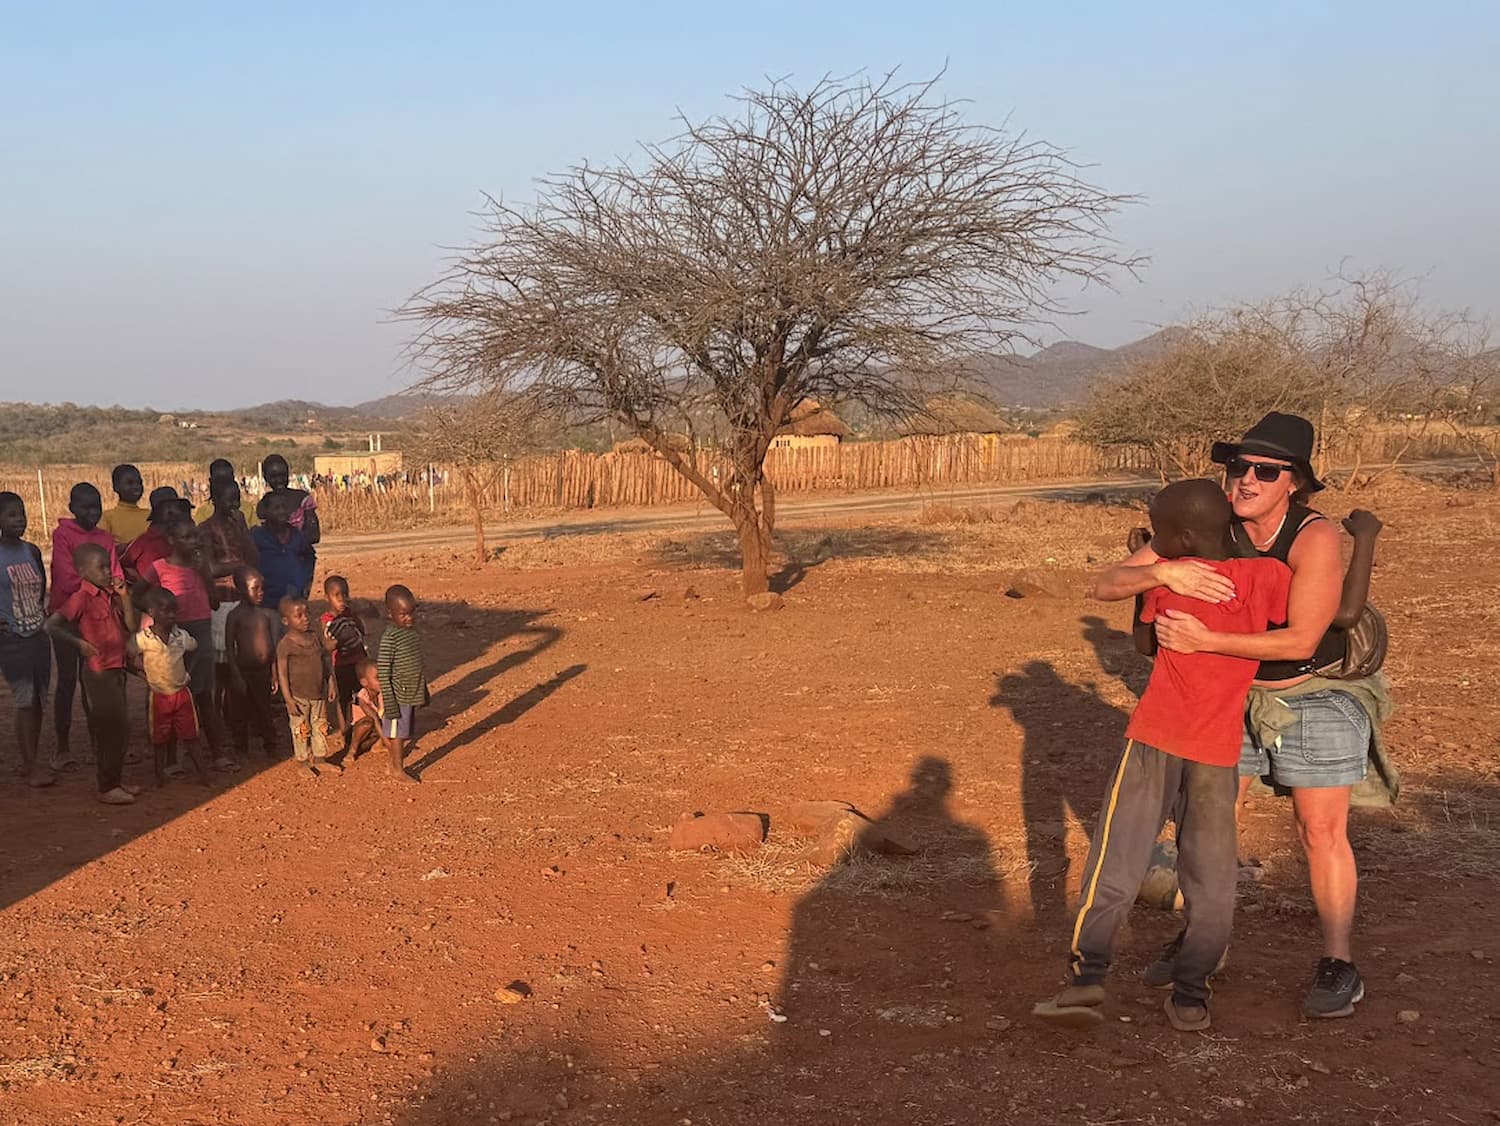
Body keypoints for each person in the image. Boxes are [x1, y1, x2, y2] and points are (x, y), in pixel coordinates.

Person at [1093, 412, 1379, 1019]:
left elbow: (1302, 640)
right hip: (1231, 696)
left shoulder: (1313, 537)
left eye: (1264, 470)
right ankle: (1204, 947)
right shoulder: (1210, 519)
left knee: (1318, 831)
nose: (1246, 479)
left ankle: (1339, 963)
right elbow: (1110, 583)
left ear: (1294, 482)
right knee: (1210, 826)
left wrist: (1204, 641)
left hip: (1313, 693)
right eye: (1238, 466)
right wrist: (1164, 569)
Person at [1034, 480, 1292, 1033]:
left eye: (1161, 534)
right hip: (1219, 748)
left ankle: (1087, 977)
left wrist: (1156, 575)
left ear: (1180, 539)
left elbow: (1139, 634)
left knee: (1117, 856)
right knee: (1212, 873)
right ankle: (1192, 995)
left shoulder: (1171, 588)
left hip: (1155, 736)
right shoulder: (1270, 578)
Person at [44, 544, 140, 804]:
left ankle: (115, 780)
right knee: (112, 728)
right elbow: (51, 626)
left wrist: (125, 597)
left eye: (108, 565)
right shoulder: (81, 598)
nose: (108, 571)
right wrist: (79, 644)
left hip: (117, 667)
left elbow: (131, 626)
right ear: (83, 571)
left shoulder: (111, 595)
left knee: (121, 727)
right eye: (101, 567)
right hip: (99, 673)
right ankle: (107, 786)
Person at [139, 516, 235, 772]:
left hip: (200, 634)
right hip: (173, 636)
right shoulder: (158, 568)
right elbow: (138, 593)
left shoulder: (201, 567)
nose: (193, 542)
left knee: (204, 694)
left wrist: (205, 573)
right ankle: (171, 760)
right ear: (171, 541)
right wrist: (157, 619)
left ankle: (217, 753)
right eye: (186, 537)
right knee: (170, 694)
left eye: (195, 536)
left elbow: (214, 603)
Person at [48, 482, 123, 770]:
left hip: (99, 615)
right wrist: (102, 585)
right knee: (68, 680)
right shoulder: (63, 534)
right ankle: (63, 747)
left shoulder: (105, 537)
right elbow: (67, 578)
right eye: (85, 507)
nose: (91, 512)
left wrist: (113, 586)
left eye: (96, 506)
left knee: (96, 682)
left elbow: (114, 573)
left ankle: (99, 745)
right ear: (72, 508)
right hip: (69, 615)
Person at [0, 492, 54, 787]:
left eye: (21, 513)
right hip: (12, 640)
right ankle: (32, 766)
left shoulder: (32, 551)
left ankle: (28, 760)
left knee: (38, 701)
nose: (19, 519)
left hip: (37, 634)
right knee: (25, 701)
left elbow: (41, 586)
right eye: (11, 515)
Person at [131, 587, 210, 787]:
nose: (172, 615)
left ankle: (204, 775)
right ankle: (160, 777)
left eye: (174, 611)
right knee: (159, 740)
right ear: (151, 612)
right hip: (158, 696)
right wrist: (143, 673)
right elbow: (129, 654)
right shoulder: (144, 639)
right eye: (166, 611)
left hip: (182, 693)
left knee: (191, 736)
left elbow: (195, 648)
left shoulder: (181, 636)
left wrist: (188, 673)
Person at [201, 481, 258, 728]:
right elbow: (210, 568)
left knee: (243, 664)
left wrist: (244, 532)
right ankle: (218, 724)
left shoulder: (239, 526)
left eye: (236, 499)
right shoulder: (205, 529)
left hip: (242, 601)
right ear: (214, 500)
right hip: (222, 603)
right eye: (228, 500)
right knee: (221, 670)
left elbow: (254, 558)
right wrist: (240, 565)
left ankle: (238, 723)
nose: (234, 505)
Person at [275, 595, 340, 775]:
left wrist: (331, 682)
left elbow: (325, 659)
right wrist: (288, 698)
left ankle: (320, 758)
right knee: (301, 729)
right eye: (299, 616)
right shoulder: (285, 644)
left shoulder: (314, 637)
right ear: (285, 620)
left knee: (320, 726)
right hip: (298, 696)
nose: (305, 618)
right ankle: (303, 761)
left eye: (306, 614)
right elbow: (282, 673)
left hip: (318, 692)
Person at [225, 567, 282, 758]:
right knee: (240, 711)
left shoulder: (268, 615)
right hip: (243, 670)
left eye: (262, 588)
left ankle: (270, 745)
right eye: (255, 588)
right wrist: (235, 674)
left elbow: (274, 648)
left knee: (264, 709)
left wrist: (274, 674)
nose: (261, 592)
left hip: (263, 671)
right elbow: (229, 648)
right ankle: (241, 747)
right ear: (241, 590)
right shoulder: (234, 616)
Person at [375, 584, 425, 784]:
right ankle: (397, 768)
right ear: (390, 613)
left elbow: (416, 664)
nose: (409, 618)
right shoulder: (390, 638)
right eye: (403, 614)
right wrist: (390, 701)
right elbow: (384, 671)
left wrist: (422, 693)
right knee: (397, 734)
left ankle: (393, 765)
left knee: (403, 732)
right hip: (397, 695)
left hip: (411, 693)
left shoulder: (411, 633)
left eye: (412, 613)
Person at [319, 574, 366, 741]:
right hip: (341, 665)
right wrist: (342, 637)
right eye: (336, 595)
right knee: (343, 700)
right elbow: (328, 645)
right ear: (327, 597)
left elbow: (362, 631)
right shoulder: (327, 620)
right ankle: (346, 733)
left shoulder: (350, 613)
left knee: (362, 696)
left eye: (345, 595)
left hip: (359, 661)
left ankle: (361, 730)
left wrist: (355, 615)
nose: (341, 600)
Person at [250, 492, 315, 606]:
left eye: (284, 507)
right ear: (266, 512)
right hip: (267, 600)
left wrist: (306, 582)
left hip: (294, 599)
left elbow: (309, 557)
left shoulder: (297, 535)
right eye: (276, 508)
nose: (281, 511)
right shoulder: (257, 536)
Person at [120, 487, 181, 587]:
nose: (173, 513)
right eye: (168, 509)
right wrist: (141, 582)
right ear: (157, 513)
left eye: (175, 508)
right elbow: (122, 564)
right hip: (152, 597)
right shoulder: (144, 541)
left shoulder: (181, 539)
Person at [256, 454, 320, 546]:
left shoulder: (302, 499)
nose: (279, 480)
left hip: (300, 556)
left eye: (282, 475)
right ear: (266, 478)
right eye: (273, 477)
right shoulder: (263, 505)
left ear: (288, 474)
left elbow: (314, 535)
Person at [345, 658, 397, 763]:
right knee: (368, 722)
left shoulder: (382, 694)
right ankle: (352, 751)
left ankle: (378, 745)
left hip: (373, 734)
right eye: (378, 678)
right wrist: (389, 744)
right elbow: (375, 719)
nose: (383, 681)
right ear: (364, 682)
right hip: (357, 734)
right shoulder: (362, 697)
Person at [99, 464, 150, 550]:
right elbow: (104, 549)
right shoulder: (107, 518)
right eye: (130, 483)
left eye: (139, 482)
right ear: (116, 487)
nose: (136, 487)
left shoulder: (150, 515)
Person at [192, 459, 237, 524]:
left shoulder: (202, 513)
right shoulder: (202, 512)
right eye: (219, 481)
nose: (223, 485)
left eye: (227, 480)